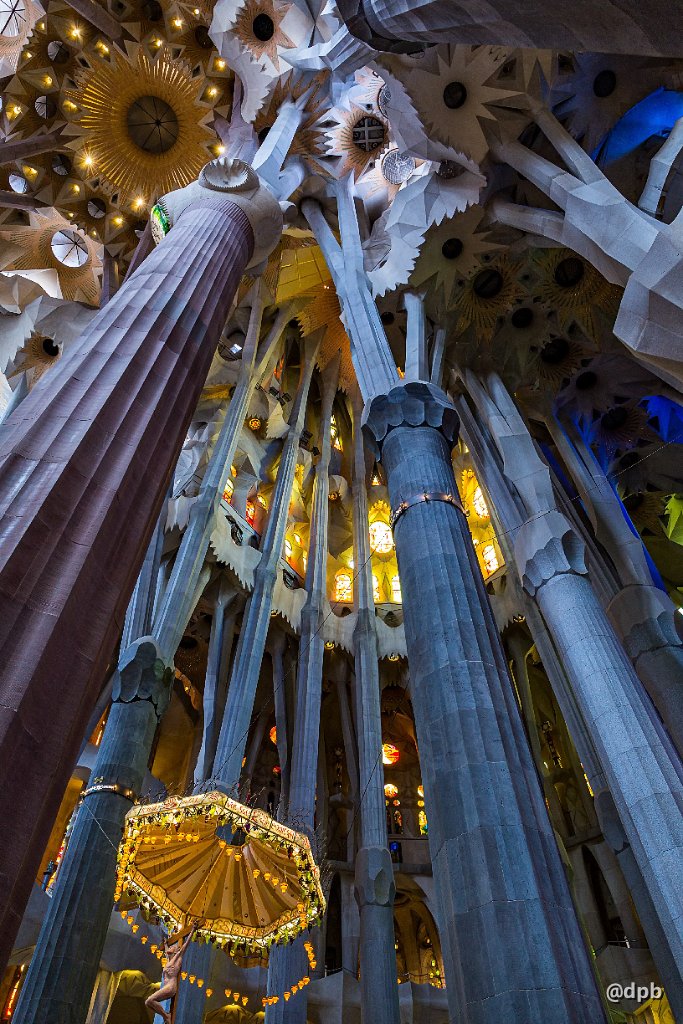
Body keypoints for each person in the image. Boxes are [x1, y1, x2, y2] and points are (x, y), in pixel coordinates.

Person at [145, 920, 198, 1024]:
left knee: (150, 1000)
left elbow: (185, 946)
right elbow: (166, 951)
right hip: (166, 987)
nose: (170, 947)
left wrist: (192, 930)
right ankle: (166, 1016)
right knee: (148, 1003)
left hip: (171, 987)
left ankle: (166, 1016)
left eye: (173, 947)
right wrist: (165, 944)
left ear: (176, 951)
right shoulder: (169, 960)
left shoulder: (178, 958)